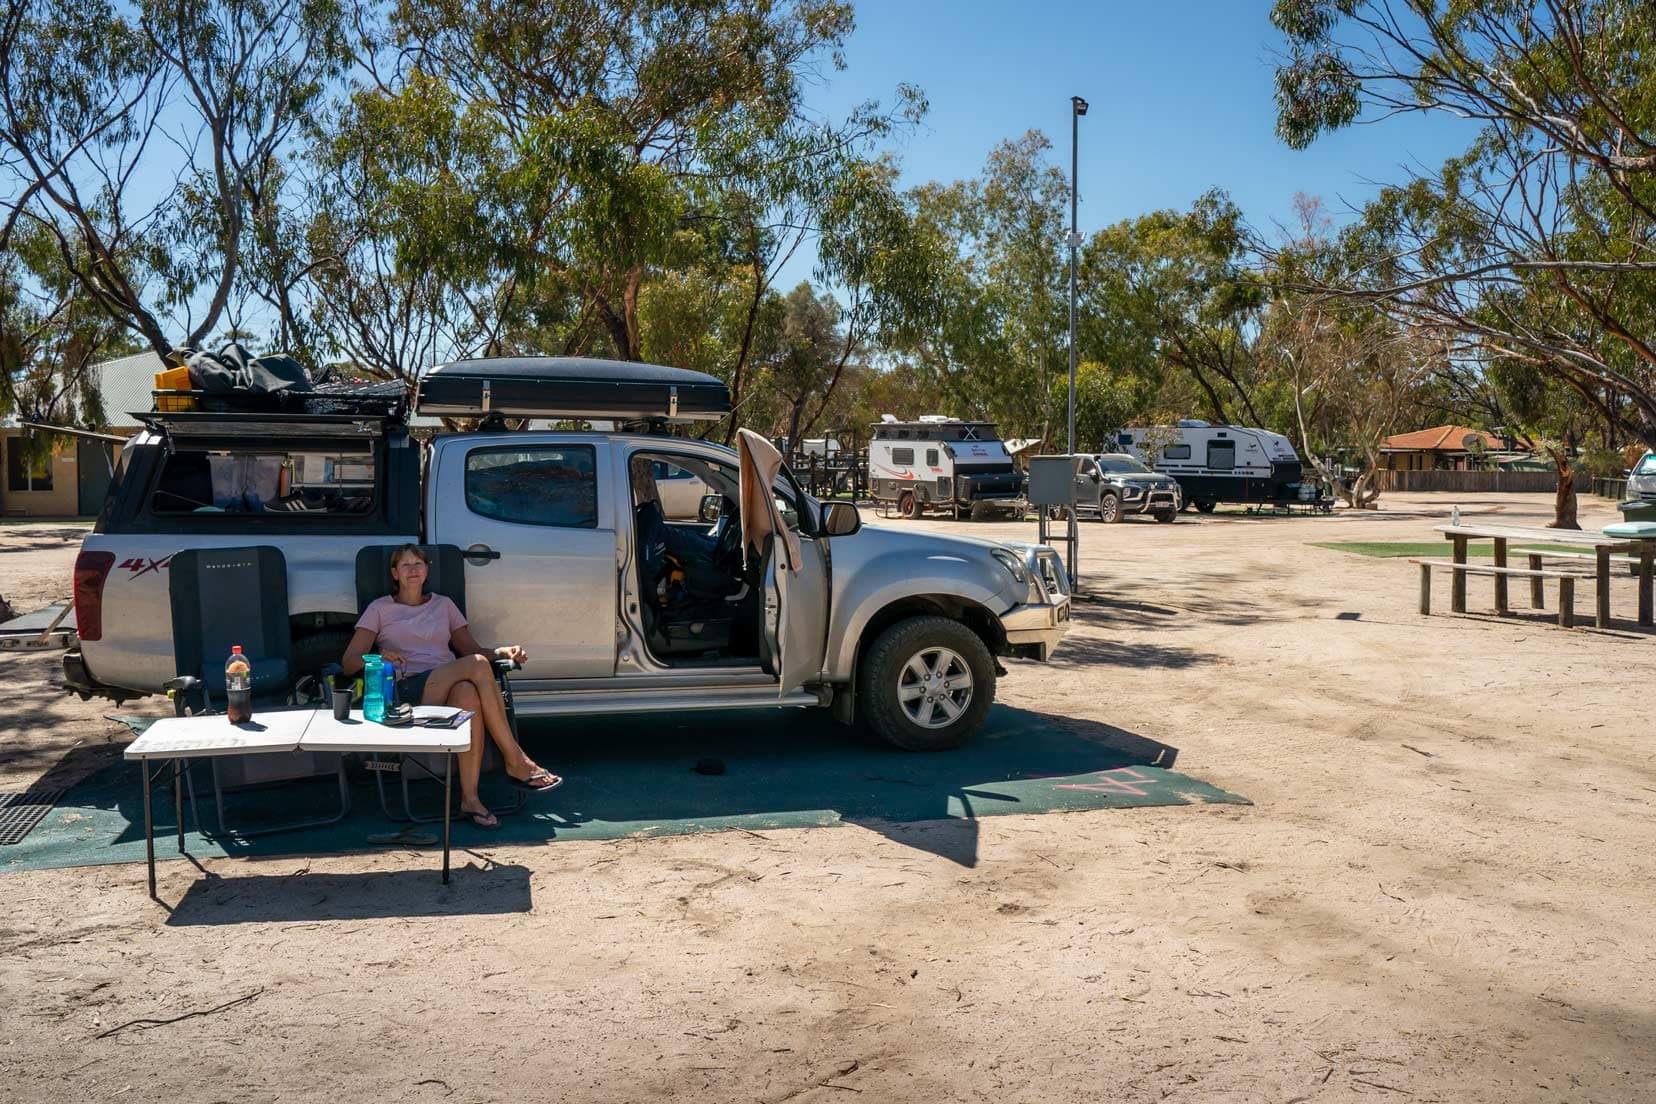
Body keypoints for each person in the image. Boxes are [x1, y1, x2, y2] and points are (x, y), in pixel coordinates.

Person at [342, 544, 560, 828]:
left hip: (447, 683)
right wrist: (377, 656)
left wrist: (504, 651)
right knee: (479, 665)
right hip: (407, 690)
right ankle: (515, 758)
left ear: (427, 570)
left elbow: (471, 650)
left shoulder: (444, 605)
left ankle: (470, 800)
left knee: (469, 693)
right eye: (405, 565)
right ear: (394, 573)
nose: (412, 570)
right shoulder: (380, 609)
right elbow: (348, 662)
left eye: (418, 564)